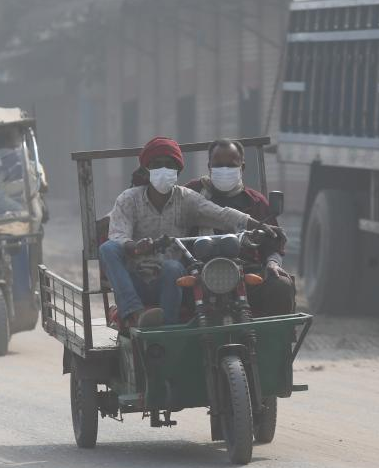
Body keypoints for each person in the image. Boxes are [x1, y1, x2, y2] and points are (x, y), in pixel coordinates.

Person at [99, 136, 279, 330]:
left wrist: (254, 224)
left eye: (169, 165)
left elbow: (222, 215)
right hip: (134, 279)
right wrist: (135, 247)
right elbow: (117, 235)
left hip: (170, 280)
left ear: (178, 171)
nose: (164, 170)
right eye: (157, 165)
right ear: (146, 169)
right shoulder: (129, 199)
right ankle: (135, 314)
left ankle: (167, 327)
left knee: (174, 267)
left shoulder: (187, 199)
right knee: (108, 248)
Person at [186, 138, 295, 316]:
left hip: (247, 274)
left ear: (242, 167)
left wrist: (273, 263)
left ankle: (274, 340)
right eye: (219, 165)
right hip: (198, 273)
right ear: (209, 166)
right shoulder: (192, 193)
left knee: (281, 285)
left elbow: (274, 242)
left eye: (231, 165)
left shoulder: (256, 201)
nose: (224, 170)